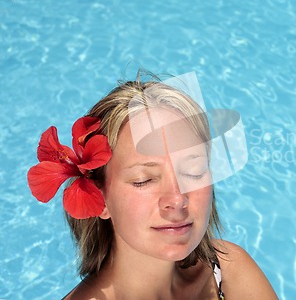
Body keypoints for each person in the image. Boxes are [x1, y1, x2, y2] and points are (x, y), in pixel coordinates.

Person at [27, 74, 278, 300]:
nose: (177, 198)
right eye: (143, 180)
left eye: (194, 171)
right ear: (100, 198)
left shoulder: (227, 269)